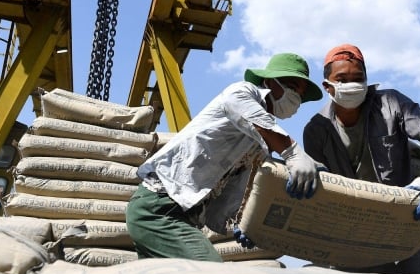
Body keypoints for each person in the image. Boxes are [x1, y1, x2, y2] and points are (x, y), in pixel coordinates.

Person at [126, 52, 324, 261]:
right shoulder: (242, 92)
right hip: (160, 208)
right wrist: (292, 152)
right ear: (268, 81)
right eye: (292, 87)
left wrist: (247, 223)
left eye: (300, 96)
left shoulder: (259, 147)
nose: (295, 98)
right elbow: (253, 118)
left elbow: (245, 189)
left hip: (184, 216)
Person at [303, 43, 420, 274]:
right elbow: (318, 186)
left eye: (357, 78)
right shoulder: (317, 130)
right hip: (350, 235)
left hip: (399, 228)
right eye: (342, 79)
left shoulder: (390, 104)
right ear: (327, 86)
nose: (351, 84)